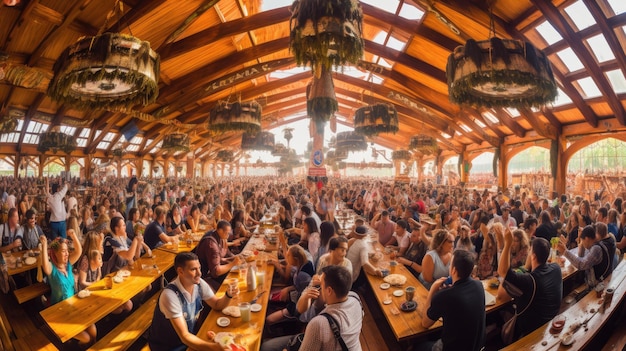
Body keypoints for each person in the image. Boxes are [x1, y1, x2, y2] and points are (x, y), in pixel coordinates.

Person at [149, 252, 238, 351]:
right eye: (193, 269)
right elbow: (185, 336)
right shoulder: (170, 295)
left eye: (199, 268)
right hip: (169, 346)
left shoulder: (199, 284)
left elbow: (217, 304)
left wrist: (228, 295)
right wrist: (215, 348)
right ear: (180, 271)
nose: (199, 273)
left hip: (190, 339)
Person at [497, 234, 562, 342]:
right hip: (549, 321)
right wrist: (526, 268)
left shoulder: (529, 281)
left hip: (530, 331)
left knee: (501, 313)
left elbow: (502, 271)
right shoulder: (556, 268)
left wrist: (507, 244)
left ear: (533, 256)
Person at [422, 249, 486, 351]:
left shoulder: (445, 296)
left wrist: (432, 290)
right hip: (477, 346)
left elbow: (425, 323)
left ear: (454, 270)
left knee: (419, 346)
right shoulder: (479, 285)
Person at [40, 231, 96, 346]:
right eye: (63, 251)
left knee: (93, 331)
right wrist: (45, 244)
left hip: (74, 307)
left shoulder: (69, 265)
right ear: (55, 253)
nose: (67, 254)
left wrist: (73, 235)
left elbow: (79, 251)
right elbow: (45, 264)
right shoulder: (52, 270)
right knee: (86, 338)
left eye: (67, 251)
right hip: (60, 312)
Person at [297, 265, 363, 351]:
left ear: (329, 291)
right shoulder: (356, 299)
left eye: (321, 285)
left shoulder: (319, 324)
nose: (320, 288)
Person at [195, 220, 241, 290]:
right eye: (227, 233)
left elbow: (220, 258)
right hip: (203, 276)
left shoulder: (217, 235)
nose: (228, 236)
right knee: (232, 282)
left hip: (210, 271)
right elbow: (216, 271)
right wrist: (233, 263)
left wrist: (234, 258)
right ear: (220, 230)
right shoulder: (211, 244)